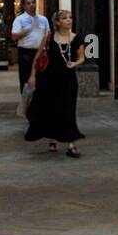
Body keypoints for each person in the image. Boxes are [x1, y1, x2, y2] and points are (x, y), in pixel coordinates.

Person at [25, 10, 85, 157]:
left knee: (69, 110)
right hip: (49, 79)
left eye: (70, 17)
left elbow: (82, 57)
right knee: (51, 109)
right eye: (65, 18)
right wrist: (32, 75)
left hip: (68, 80)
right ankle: (53, 139)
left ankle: (71, 144)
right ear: (57, 22)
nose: (69, 20)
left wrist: (75, 63)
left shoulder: (77, 38)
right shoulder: (49, 37)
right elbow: (38, 57)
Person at [10, 0, 50, 90]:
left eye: (33, 2)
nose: (31, 5)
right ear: (24, 6)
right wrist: (27, 30)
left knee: (41, 78)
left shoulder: (43, 19)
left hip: (40, 52)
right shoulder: (20, 20)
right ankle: (26, 100)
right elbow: (14, 37)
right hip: (26, 53)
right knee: (26, 77)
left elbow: (48, 34)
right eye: (28, 3)